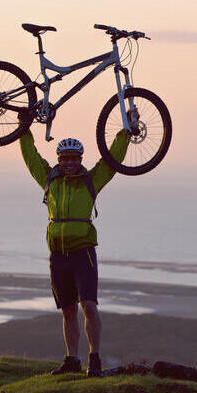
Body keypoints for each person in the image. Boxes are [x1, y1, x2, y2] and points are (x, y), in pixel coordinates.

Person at [19, 130, 128, 377]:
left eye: (73, 159)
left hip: (83, 252)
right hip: (58, 253)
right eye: (64, 159)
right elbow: (30, 157)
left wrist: (125, 134)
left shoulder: (91, 180)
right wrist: (22, 129)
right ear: (59, 160)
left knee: (88, 305)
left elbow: (112, 161)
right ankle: (72, 359)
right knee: (68, 310)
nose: (69, 163)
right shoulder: (49, 179)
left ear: (80, 159)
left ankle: (95, 358)